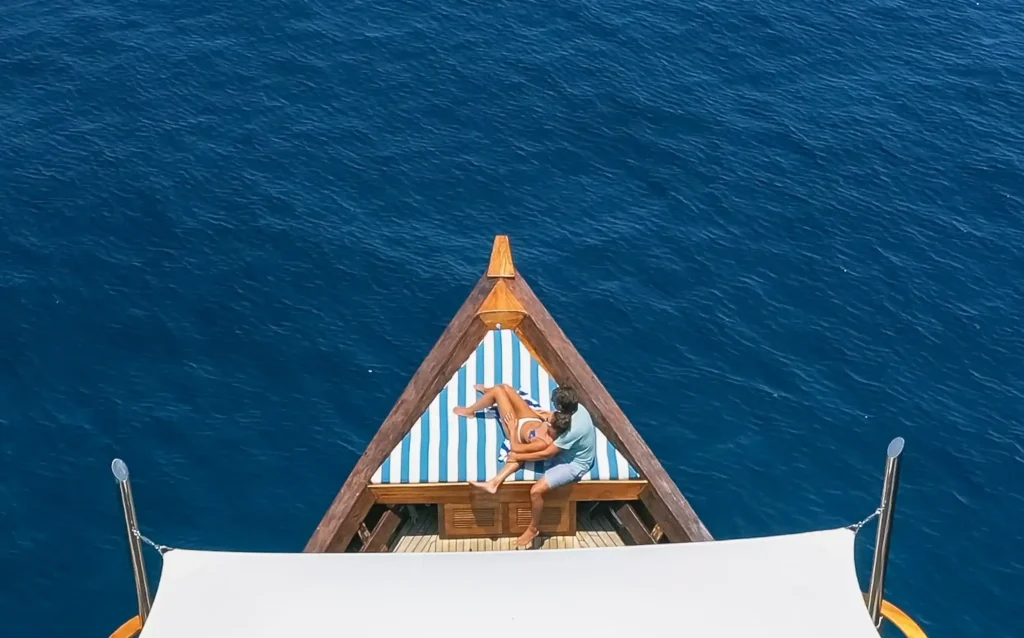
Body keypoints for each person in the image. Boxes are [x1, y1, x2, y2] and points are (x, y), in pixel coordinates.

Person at [457, 384, 596, 548]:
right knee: (501, 389)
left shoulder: (565, 434)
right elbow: (552, 420)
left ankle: (532, 529)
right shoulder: (576, 409)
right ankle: (476, 405)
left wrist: (516, 446)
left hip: (573, 463)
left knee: (536, 491)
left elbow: (544, 454)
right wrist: (543, 416)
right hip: (531, 424)